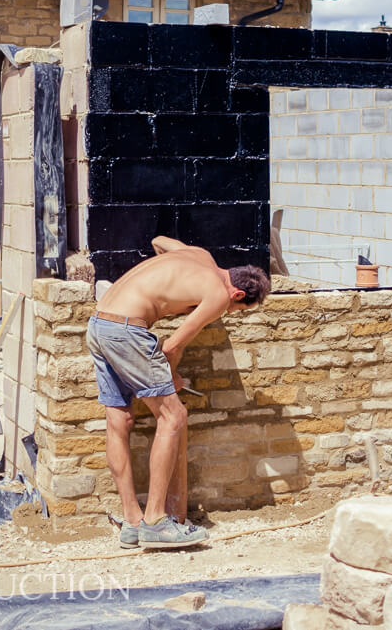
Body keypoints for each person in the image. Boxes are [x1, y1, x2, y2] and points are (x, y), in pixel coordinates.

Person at [87, 235, 270, 549]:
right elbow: (171, 346)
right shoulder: (218, 295)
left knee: (119, 420)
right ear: (237, 293)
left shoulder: (199, 254)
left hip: (99, 323)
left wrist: (167, 280)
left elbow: (159, 241)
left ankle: (133, 523)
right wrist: (171, 378)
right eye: (238, 309)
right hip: (128, 331)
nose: (231, 313)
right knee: (173, 416)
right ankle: (155, 521)